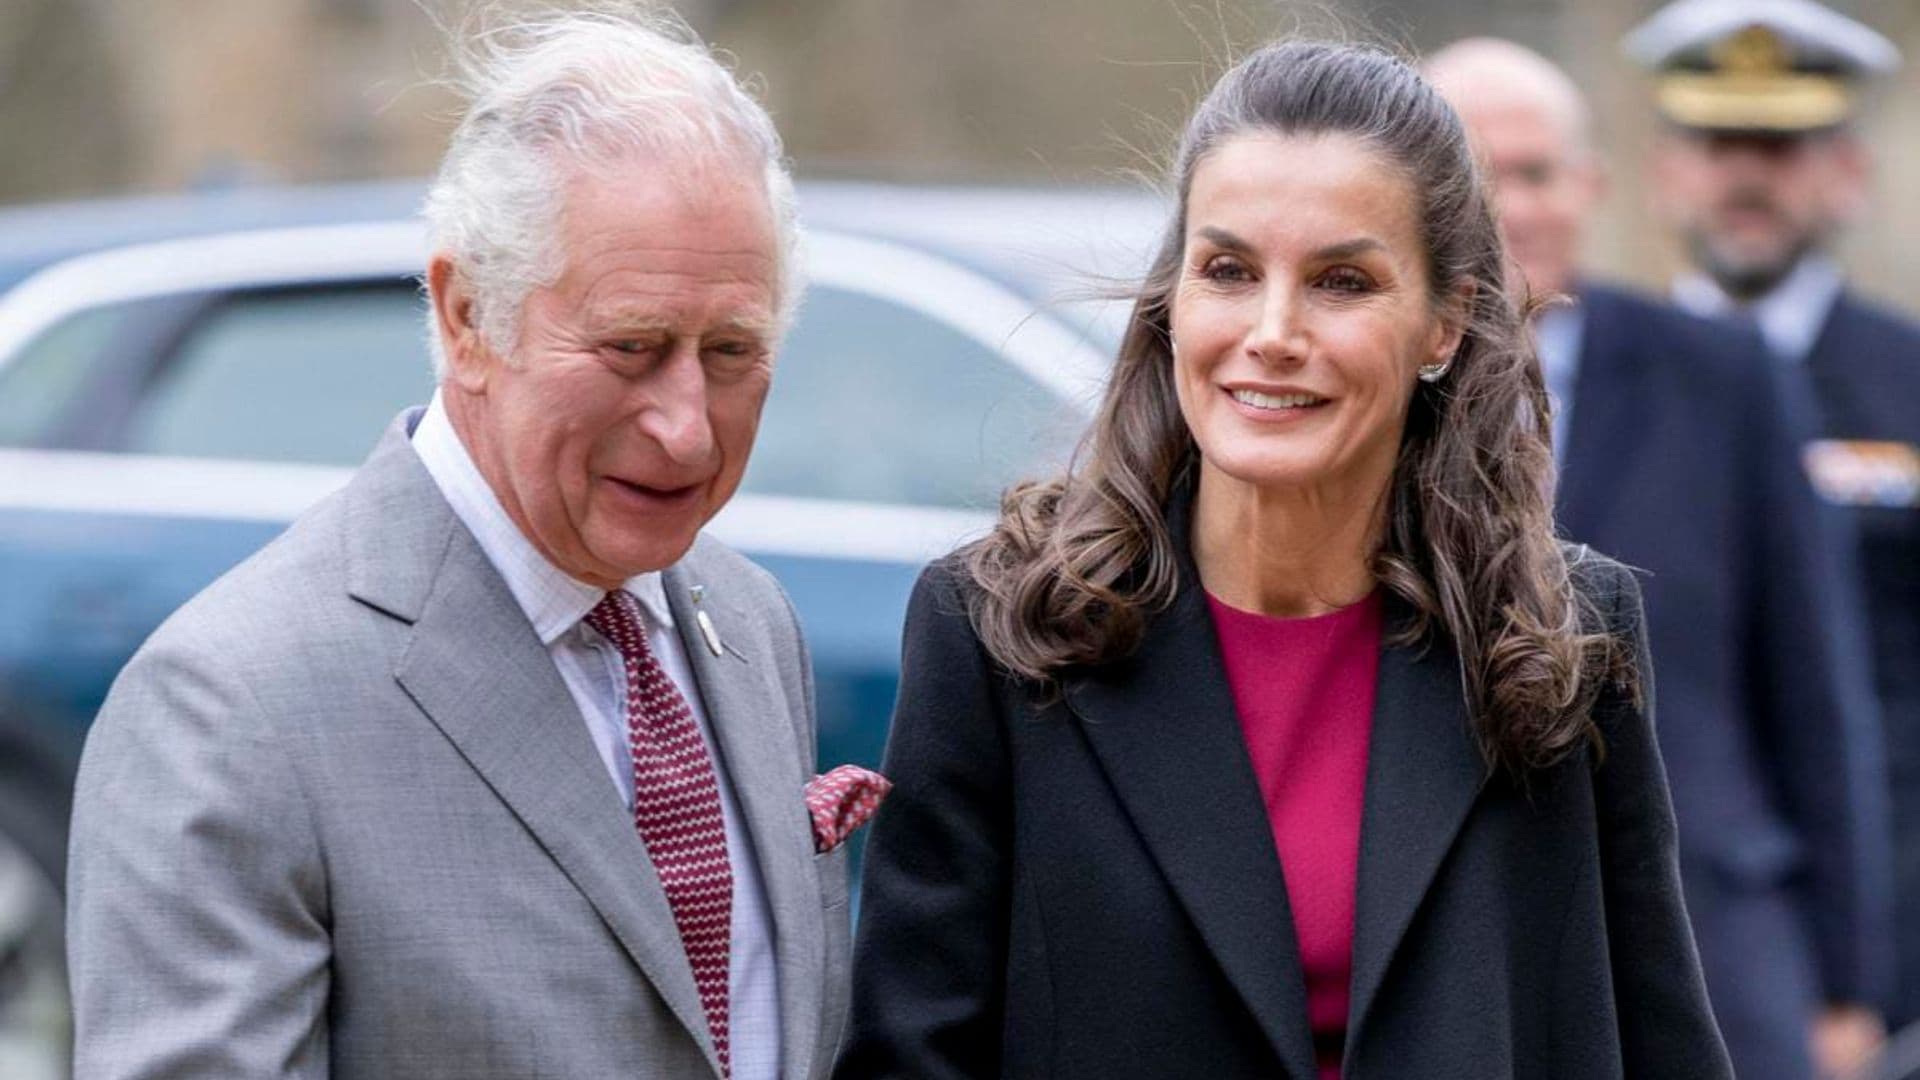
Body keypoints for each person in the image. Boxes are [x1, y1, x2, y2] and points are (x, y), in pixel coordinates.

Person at [837, 40, 1730, 1079]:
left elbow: (1655, 1033)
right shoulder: (998, 626)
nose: (1272, 331)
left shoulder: (1561, 634)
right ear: (1172, 298)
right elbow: (914, 1051)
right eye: (1227, 271)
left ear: (1443, 323)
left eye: (1341, 281)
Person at [65, 10, 865, 1079]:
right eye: (632, 347)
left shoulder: (748, 621)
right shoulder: (231, 706)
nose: (687, 424)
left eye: (731, 352)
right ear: (466, 315)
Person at [1428, 38, 1892, 1080]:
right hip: (1471, 963)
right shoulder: (1365, 397)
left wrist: (1851, 986)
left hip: (1718, 945)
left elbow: (1817, 689)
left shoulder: (1724, 377)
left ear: (1591, 185)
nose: (1511, 208)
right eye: (1473, 175)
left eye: (1537, 173)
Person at [1630, 0, 1920, 1051]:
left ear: (1844, 169)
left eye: (1781, 145)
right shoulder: (1594, 387)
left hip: (1883, 957)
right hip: (1649, 932)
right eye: (1718, 143)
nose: (1746, 177)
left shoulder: (1909, 383)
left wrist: (1870, 983)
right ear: (1666, 167)